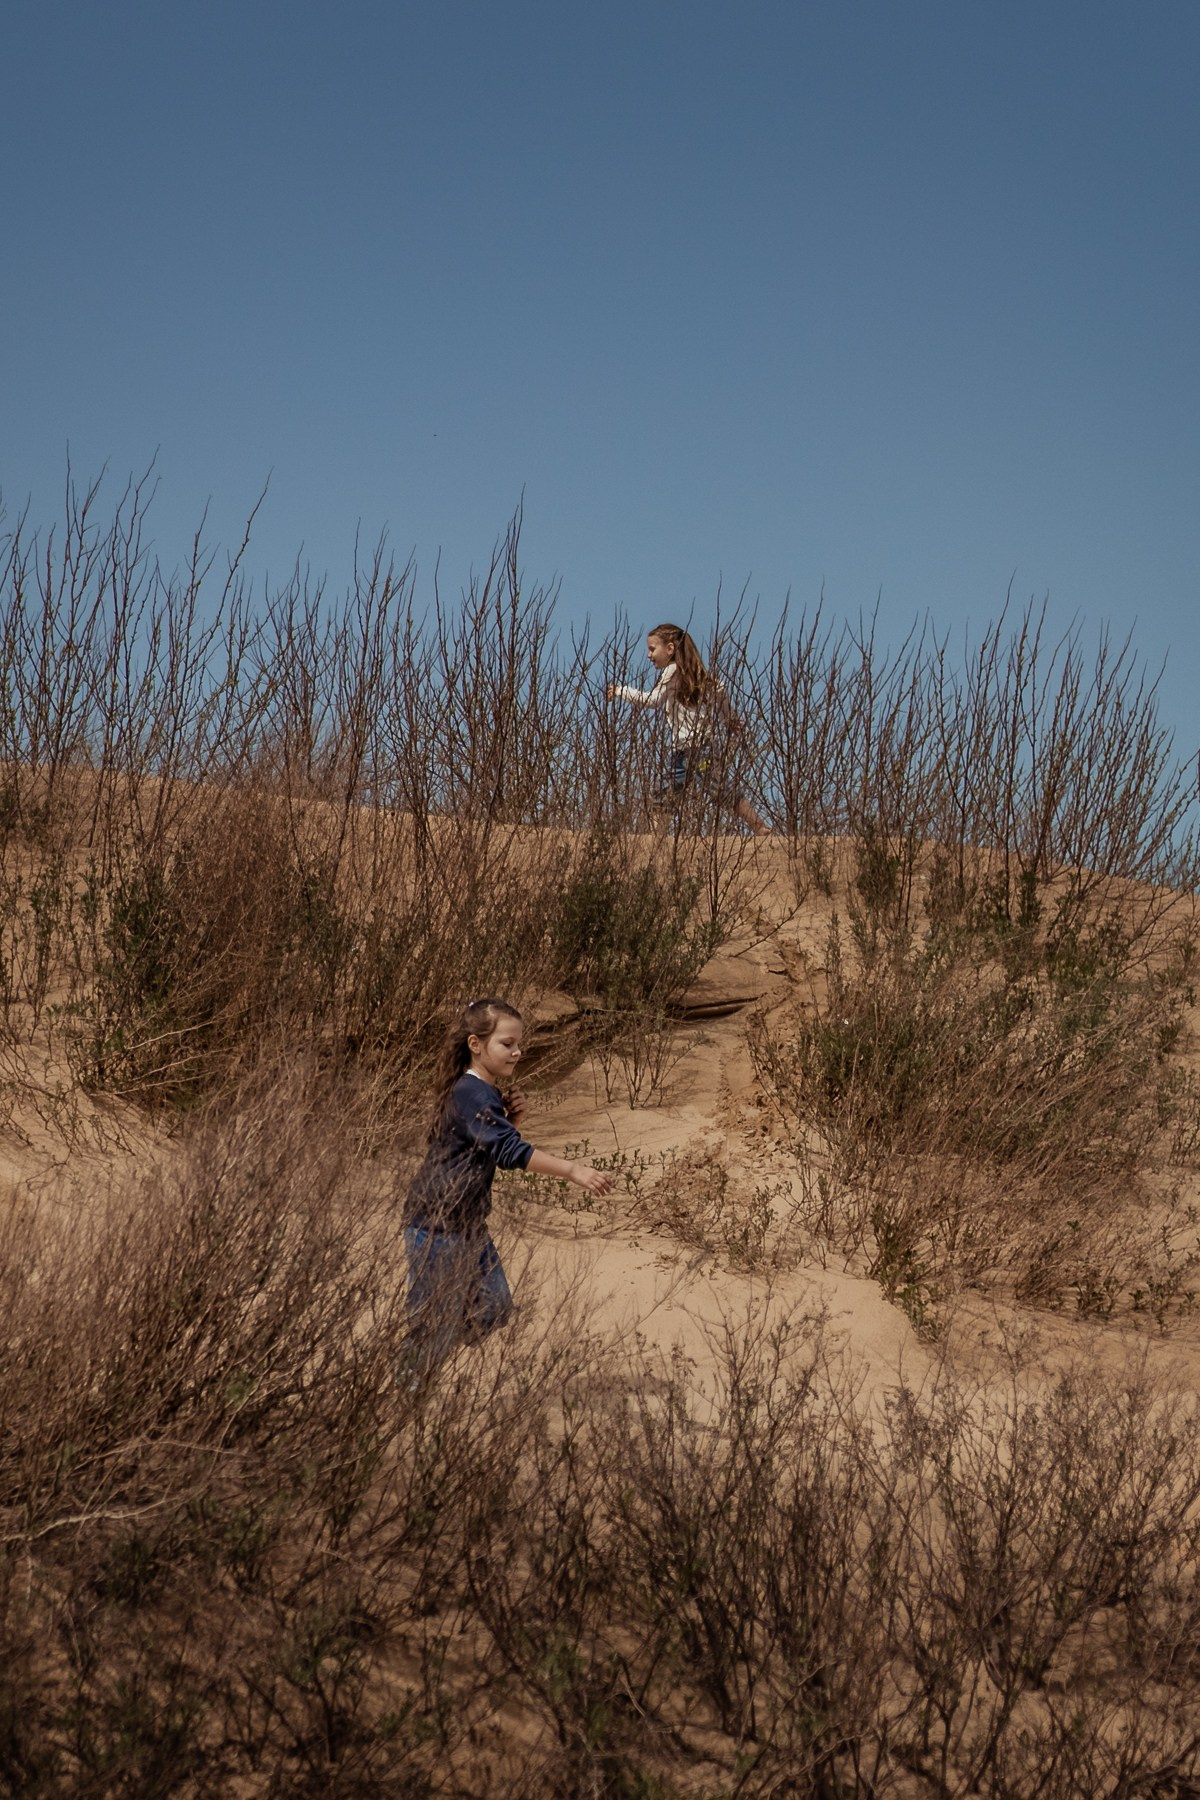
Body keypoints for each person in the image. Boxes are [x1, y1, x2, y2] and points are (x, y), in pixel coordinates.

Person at [401, 997, 614, 1376]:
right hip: (435, 1225)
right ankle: (404, 1389)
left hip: (467, 1226)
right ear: (475, 1044)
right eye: (507, 1043)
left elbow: (492, 1150)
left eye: (518, 1043)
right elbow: (511, 1152)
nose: (517, 1051)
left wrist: (510, 1120)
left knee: (496, 1306)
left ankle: (430, 1356)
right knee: (432, 1323)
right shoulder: (472, 1092)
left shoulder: (484, 1095)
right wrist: (572, 1170)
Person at [607, 622, 769, 835]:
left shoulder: (672, 670)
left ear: (671, 649)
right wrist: (728, 718)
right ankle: (760, 828)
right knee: (714, 792)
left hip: (693, 750)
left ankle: (658, 842)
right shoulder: (699, 676)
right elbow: (719, 691)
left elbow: (652, 700)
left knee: (667, 795)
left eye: (653, 649)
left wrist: (620, 690)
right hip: (693, 750)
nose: (649, 655)